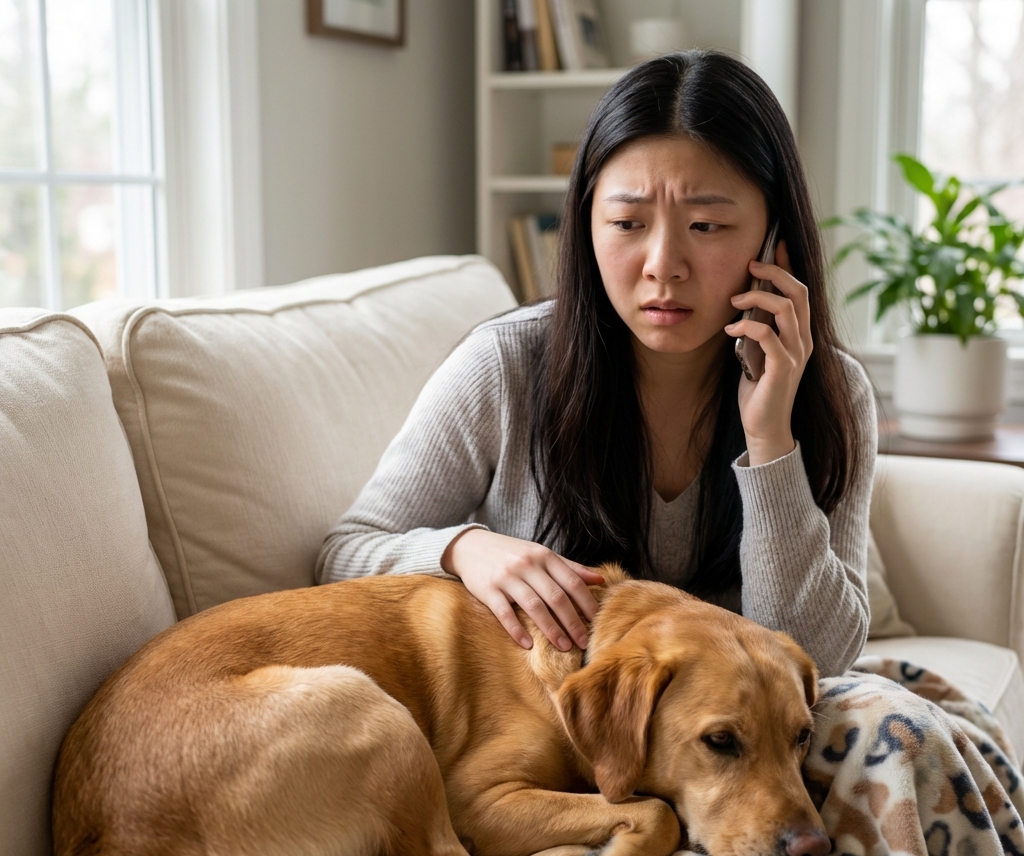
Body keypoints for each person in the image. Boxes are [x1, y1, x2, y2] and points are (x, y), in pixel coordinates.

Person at [315, 49, 875, 680]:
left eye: (707, 225)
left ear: (775, 239)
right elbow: (346, 551)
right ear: (585, 226)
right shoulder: (507, 365)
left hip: (733, 740)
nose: (663, 263)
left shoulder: (836, 392)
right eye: (627, 222)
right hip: (557, 737)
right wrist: (463, 549)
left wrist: (771, 439)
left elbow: (818, 663)